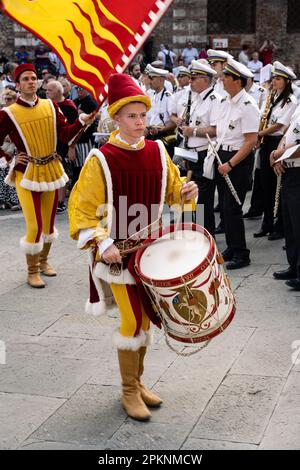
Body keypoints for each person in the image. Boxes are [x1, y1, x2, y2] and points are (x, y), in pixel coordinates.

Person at [68, 73, 198, 421]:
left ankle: (137, 383)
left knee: (144, 322)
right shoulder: (101, 158)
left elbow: (173, 194)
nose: (140, 122)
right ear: (116, 118)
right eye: (132, 116)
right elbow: (82, 209)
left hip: (152, 254)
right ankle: (128, 390)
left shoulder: (158, 150)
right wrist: (103, 241)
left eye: (143, 115)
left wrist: (186, 193)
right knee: (132, 322)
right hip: (117, 257)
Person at [0, 63, 96, 288]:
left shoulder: (51, 106)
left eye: (33, 78)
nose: (31, 81)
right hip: (26, 173)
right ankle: (31, 271)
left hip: (51, 170)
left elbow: (64, 134)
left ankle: (43, 262)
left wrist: (81, 123)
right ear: (18, 84)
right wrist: (10, 158)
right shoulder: (8, 113)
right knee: (34, 226)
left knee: (49, 226)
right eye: (25, 79)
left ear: (39, 82)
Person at [210, 58, 259, 269]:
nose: (221, 80)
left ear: (237, 81)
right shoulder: (225, 101)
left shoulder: (248, 105)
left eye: (226, 77)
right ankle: (232, 246)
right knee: (225, 207)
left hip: (237, 161)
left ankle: (242, 253)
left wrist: (230, 164)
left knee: (233, 206)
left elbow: (250, 141)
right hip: (222, 156)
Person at [170, 60, 222, 235]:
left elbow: (215, 130)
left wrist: (193, 131)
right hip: (191, 153)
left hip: (204, 155)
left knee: (203, 202)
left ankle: (207, 237)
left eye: (194, 78)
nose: (190, 81)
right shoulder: (196, 98)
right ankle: (196, 233)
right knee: (191, 199)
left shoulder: (215, 99)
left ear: (206, 80)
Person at [253, 61, 297, 240]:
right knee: (265, 185)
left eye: (278, 79)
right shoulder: (272, 97)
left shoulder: (290, 100)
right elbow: (265, 118)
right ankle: (267, 223)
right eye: (274, 78)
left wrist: (259, 133)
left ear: (286, 81)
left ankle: (279, 226)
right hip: (266, 142)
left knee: (278, 185)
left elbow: (280, 125)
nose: (274, 82)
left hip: (278, 142)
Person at [271, 109, 300, 291]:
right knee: (290, 224)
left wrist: (277, 155)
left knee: (298, 224)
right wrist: (278, 153)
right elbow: (288, 132)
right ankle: (294, 266)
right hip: (289, 169)